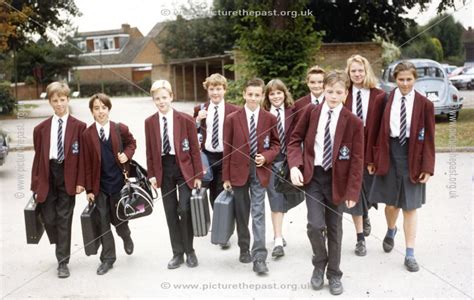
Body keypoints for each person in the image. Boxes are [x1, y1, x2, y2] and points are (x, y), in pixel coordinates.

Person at [288, 70, 364, 295]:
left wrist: (352, 191)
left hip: (338, 181)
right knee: (315, 225)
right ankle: (319, 264)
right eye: (329, 91)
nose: (333, 96)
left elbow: (357, 160)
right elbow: (294, 140)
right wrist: (294, 166)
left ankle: (334, 273)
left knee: (334, 228)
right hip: (314, 177)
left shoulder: (354, 122)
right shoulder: (312, 112)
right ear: (324, 90)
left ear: (345, 94)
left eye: (338, 92)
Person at [367, 61, 435, 272]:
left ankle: (410, 253)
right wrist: (371, 159)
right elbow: (373, 131)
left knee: (410, 206)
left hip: (413, 156)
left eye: (409, 79)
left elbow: (430, 139)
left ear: (415, 79)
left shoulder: (425, 104)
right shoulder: (384, 99)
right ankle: (390, 229)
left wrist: (427, 167)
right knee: (391, 205)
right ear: (394, 80)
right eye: (401, 79)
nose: (405, 84)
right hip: (389, 154)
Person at [222, 78, 280, 275]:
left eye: (257, 95)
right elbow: (227, 150)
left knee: (258, 212)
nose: (253, 98)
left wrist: (266, 156)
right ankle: (244, 247)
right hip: (237, 172)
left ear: (262, 96)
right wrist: (226, 177)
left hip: (260, 171)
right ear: (244, 95)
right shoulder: (232, 118)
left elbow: (276, 145)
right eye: (250, 94)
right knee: (241, 212)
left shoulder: (270, 118)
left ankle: (260, 256)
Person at [145, 80, 203, 269]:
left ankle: (190, 250)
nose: (161, 102)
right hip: (164, 168)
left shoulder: (185, 120)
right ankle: (177, 253)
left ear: (171, 97)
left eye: (164, 97)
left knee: (184, 210)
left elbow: (195, 150)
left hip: (183, 168)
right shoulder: (150, 122)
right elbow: (150, 151)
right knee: (170, 211)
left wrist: (197, 176)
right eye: (157, 99)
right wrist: (152, 174)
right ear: (153, 100)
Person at [31, 81, 86, 278]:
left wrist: (81, 181)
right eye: (55, 101)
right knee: (49, 218)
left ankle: (62, 261)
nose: (59, 104)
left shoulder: (80, 127)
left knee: (64, 218)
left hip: (68, 175)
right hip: (48, 173)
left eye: (62, 100)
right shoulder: (41, 129)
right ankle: (59, 242)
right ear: (50, 102)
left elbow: (83, 159)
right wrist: (35, 184)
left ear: (68, 99)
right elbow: (38, 158)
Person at [82, 93, 136, 275]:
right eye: (96, 108)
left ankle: (126, 236)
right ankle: (108, 259)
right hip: (100, 187)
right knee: (103, 222)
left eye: (103, 108)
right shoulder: (87, 134)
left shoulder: (119, 129)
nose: (100, 112)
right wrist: (89, 189)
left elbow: (132, 143)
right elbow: (87, 164)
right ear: (92, 112)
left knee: (119, 220)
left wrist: (127, 154)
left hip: (119, 184)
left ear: (109, 109)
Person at [343, 54, 385, 256]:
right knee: (355, 190)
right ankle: (360, 239)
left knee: (367, 190)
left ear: (366, 71)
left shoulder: (378, 95)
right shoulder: (344, 94)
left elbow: (383, 128)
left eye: (360, 70)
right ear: (348, 73)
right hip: (349, 149)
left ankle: (366, 212)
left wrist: (376, 156)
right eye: (353, 71)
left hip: (370, 149)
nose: (357, 74)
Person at [193, 74, 239, 249]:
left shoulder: (234, 110)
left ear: (224, 90)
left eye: (218, 89)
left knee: (223, 192)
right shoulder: (200, 109)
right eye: (212, 89)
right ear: (207, 90)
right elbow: (192, 132)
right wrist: (197, 120)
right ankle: (221, 225)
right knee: (212, 194)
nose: (215, 92)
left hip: (226, 156)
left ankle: (225, 231)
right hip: (207, 156)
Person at [262, 79, 296, 258]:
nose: (276, 96)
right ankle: (277, 239)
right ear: (267, 97)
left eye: (279, 92)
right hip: (272, 162)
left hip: (290, 162)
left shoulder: (293, 112)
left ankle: (279, 233)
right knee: (276, 200)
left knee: (290, 198)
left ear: (284, 93)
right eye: (272, 93)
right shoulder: (264, 114)